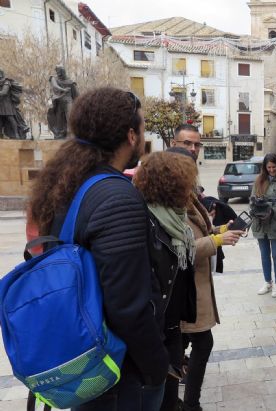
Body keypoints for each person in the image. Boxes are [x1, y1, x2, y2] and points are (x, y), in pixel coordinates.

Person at [28, 87, 168, 410]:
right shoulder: (116, 197)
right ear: (131, 135)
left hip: (81, 359)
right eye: (143, 127)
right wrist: (157, 365)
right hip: (118, 373)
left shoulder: (66, 184)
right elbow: (127, 307)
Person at [166, 146, 243, 411]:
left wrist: (223, 230)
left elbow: (201, 232)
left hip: (196, 286)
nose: (195, 173)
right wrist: (218, 240)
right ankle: (187, 404)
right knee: (194, 344)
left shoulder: (188, 198)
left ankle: (181, 401)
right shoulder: (170, 204)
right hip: (185, 290)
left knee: (184, 346)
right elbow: (181, 250)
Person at [133, 151, 199, 411]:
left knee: (169, 398)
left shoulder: (176, 220)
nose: (191, 191)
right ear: (170, 185)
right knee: (160, 400)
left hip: (172, 329)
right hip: (155, 336)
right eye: (186, 184)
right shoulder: (147, 222)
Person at [252, 153, 276, 297]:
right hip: (260, 223)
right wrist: (256, 206)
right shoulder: (259, 180)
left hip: (275, 223)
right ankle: (267, 281)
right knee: (264, 255)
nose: (271, 170)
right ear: (264, 167)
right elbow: (252, 198)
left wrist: (272, 211)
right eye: (269, 167)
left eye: (274, 167)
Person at [47, 65, 78, 139]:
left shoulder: (70, 82)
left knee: (69, 116)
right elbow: (54, 86)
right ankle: (60, 134)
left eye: (60, 72)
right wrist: (63, 90)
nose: (58, 74)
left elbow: (76, 95)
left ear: (63, 72)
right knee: (59, 118)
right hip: (59, 101)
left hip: (68, 100)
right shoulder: (53, 78)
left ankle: (71, 133)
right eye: (57, 72)